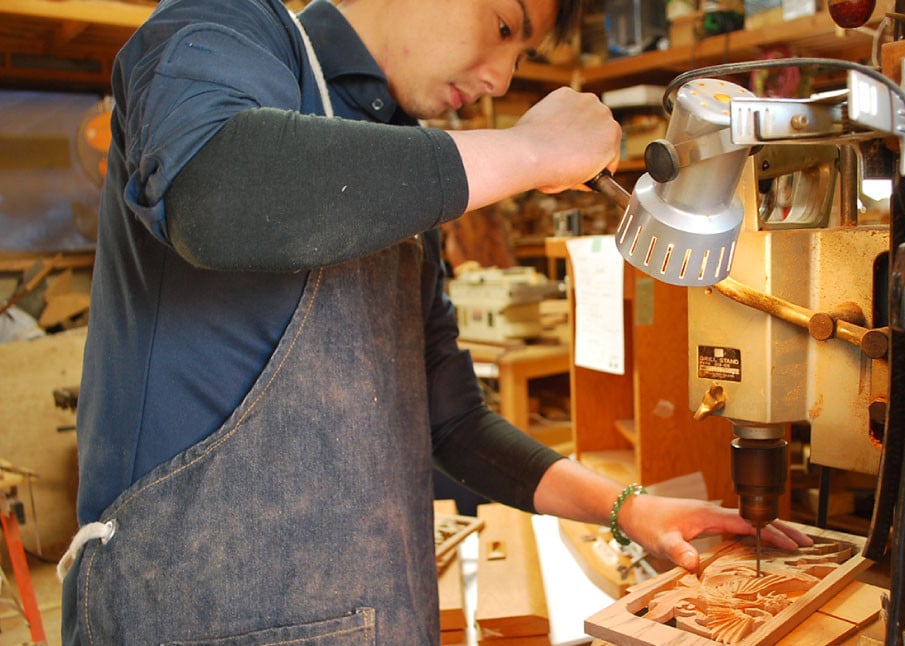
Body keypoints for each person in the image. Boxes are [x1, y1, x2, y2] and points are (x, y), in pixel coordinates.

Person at [59, 0, 811, 643]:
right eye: (505, 23)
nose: (501, 78)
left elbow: (451, 422)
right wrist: (525, 150)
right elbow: (217, 191)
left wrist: (629, 509)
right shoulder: (221, 30)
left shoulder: (402, 176)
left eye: (522, 54)